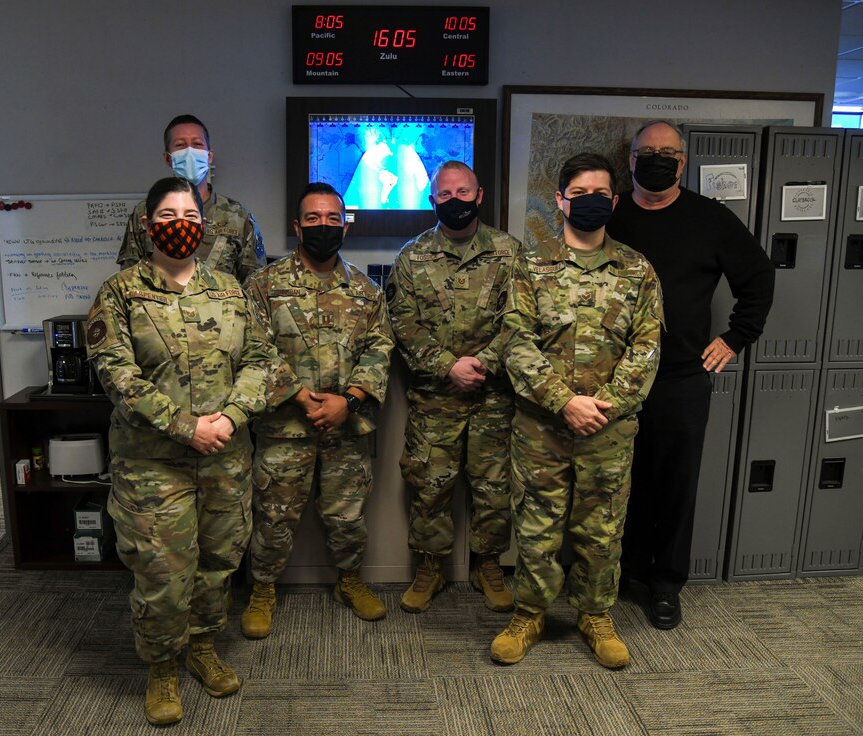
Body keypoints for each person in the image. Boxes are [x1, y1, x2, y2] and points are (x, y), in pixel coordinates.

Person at [86, 177, 297, 726]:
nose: (179, 224)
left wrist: (230, 417)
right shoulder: (120, 292)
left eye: (189, 215)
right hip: (152, 464)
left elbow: (261, 361)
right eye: (167, 215)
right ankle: (162, 668)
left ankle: (203, 647)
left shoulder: (231, 290)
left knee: (218, 563)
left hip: (225, 457)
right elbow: (117, 376)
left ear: (203, 226)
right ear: (147, 224)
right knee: (162, 574)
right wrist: (186, 427)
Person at [492, 153, 662, 669]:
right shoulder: (530, 266)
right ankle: (529, 614)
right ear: (561, 201)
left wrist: (605, 407)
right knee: (536, 528)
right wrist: (564, 401)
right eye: (580, 193)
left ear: (614, 201)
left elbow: (647, 346)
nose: (591, 201)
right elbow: (516, 342)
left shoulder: (637, 269)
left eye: (601, 194)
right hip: (542, 428)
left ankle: (596, 615)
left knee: (602, 530)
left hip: (608, 430)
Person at [606, 120, 774, 629]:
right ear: (630, 160)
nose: (656, 160)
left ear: (683, 163)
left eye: (668, 153)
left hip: (680, 376)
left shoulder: (710, 218)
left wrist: (736, 337)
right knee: (614, 479)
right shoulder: (609, 213)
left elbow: (759, 276)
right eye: (646, 152)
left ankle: (665, 583)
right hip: (614, 377)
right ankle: (622, 571)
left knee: (675, 483)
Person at [240, 182, 395, 638]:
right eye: (313, 218)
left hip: (346, 426)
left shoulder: (366, 290)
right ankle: (262, 589)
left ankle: (349, 581)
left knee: (347, 514)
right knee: (274, 515)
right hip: (284, 426)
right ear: (297, 226)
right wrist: (299, 395)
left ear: (344, 226)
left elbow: (380, 349)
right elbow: (253, 348)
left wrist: (349, 400)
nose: (323, 226)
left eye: (332, 218)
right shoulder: (264, 286)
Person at [387, 160, 520, 614]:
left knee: (494, 487)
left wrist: (484, 362)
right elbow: (403, 324)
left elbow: (521, 319)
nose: (455, 201)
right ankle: (431, 567)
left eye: (463, 192)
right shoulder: (412, 257)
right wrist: (448, 366)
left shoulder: (510, 252)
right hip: (435, 399)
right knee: (429, 486)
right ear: (432, 200)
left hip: (493, 396)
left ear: (479, 196)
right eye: (445, 194)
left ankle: (489, 565)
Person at [116, 114, 266, 281]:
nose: (189, 152)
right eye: (180, 145)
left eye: (197, 144)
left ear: (209, 156)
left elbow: (254, 284)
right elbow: (128, 279)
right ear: (168, 158)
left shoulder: (238, 216)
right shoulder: (145, 212)